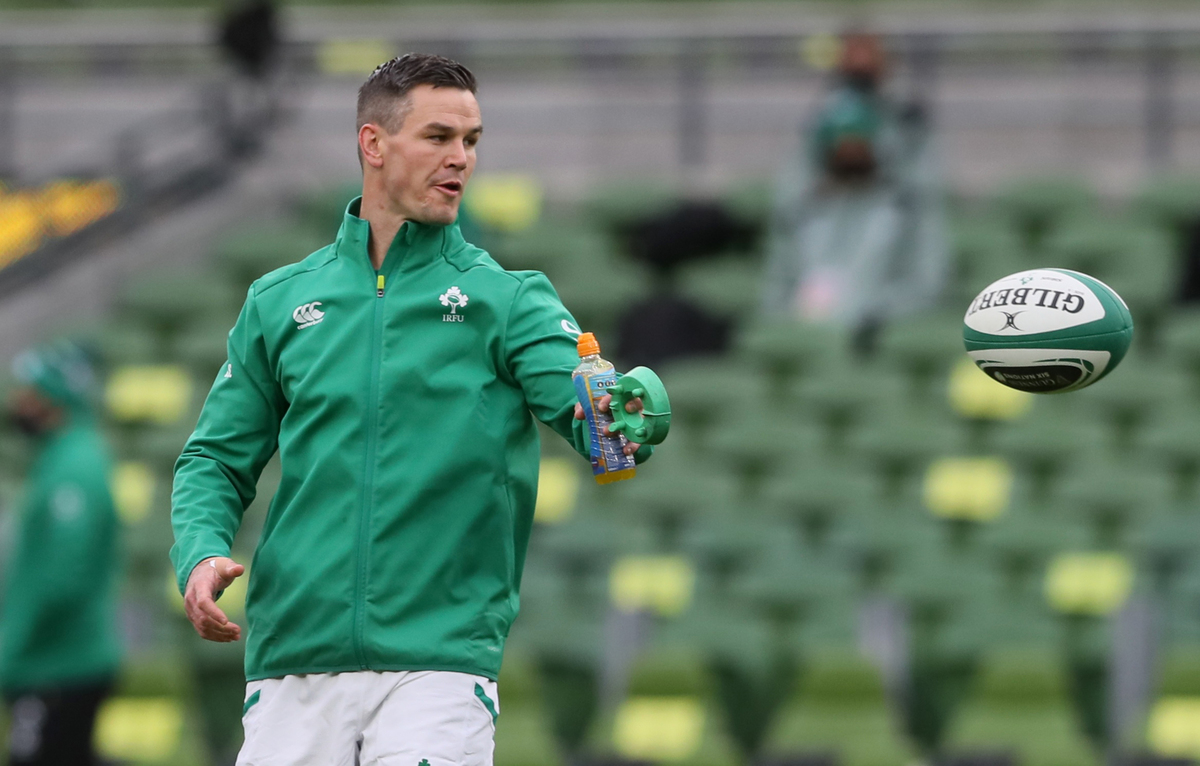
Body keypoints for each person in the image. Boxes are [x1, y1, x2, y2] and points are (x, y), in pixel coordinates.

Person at [170, 53, 652, 765]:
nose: (461, 158)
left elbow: (603, 427)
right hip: (292, 661)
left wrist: (625, 416)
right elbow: (214, 457)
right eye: (438, 137)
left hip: (439, 666)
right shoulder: (278, 300)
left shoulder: (509, 300)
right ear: (373, 144)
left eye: (472, 140)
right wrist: (201, 552)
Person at [763, 32, 949, 343]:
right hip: (811, 333)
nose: (849, 148)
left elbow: (925, 282)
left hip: (878, 332)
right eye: (841, 139)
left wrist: (868, 313)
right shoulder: (806, 212)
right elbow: (778, 284)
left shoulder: (899, 210)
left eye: (858, 139)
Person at [1, 341, 121, 766]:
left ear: (55, 398)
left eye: (29, 393)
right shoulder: (62, 457)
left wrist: (13, 642)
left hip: (58, 664)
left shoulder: (74, 466)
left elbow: (61, 577)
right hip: (55, 660)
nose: (18, 402)